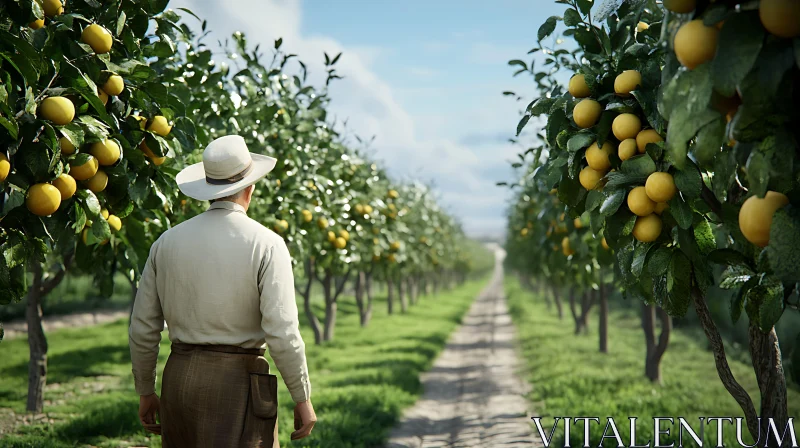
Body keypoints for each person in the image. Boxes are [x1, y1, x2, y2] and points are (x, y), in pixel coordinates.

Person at [129, 135, 316, 447]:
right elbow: (282, 331)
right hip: (239, 384)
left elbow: (143, 327)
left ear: (208, 189)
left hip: (179, 379)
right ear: (250, 187)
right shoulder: (266, 244)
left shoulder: (166, 242)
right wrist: (302, 396)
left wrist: (146, 390)